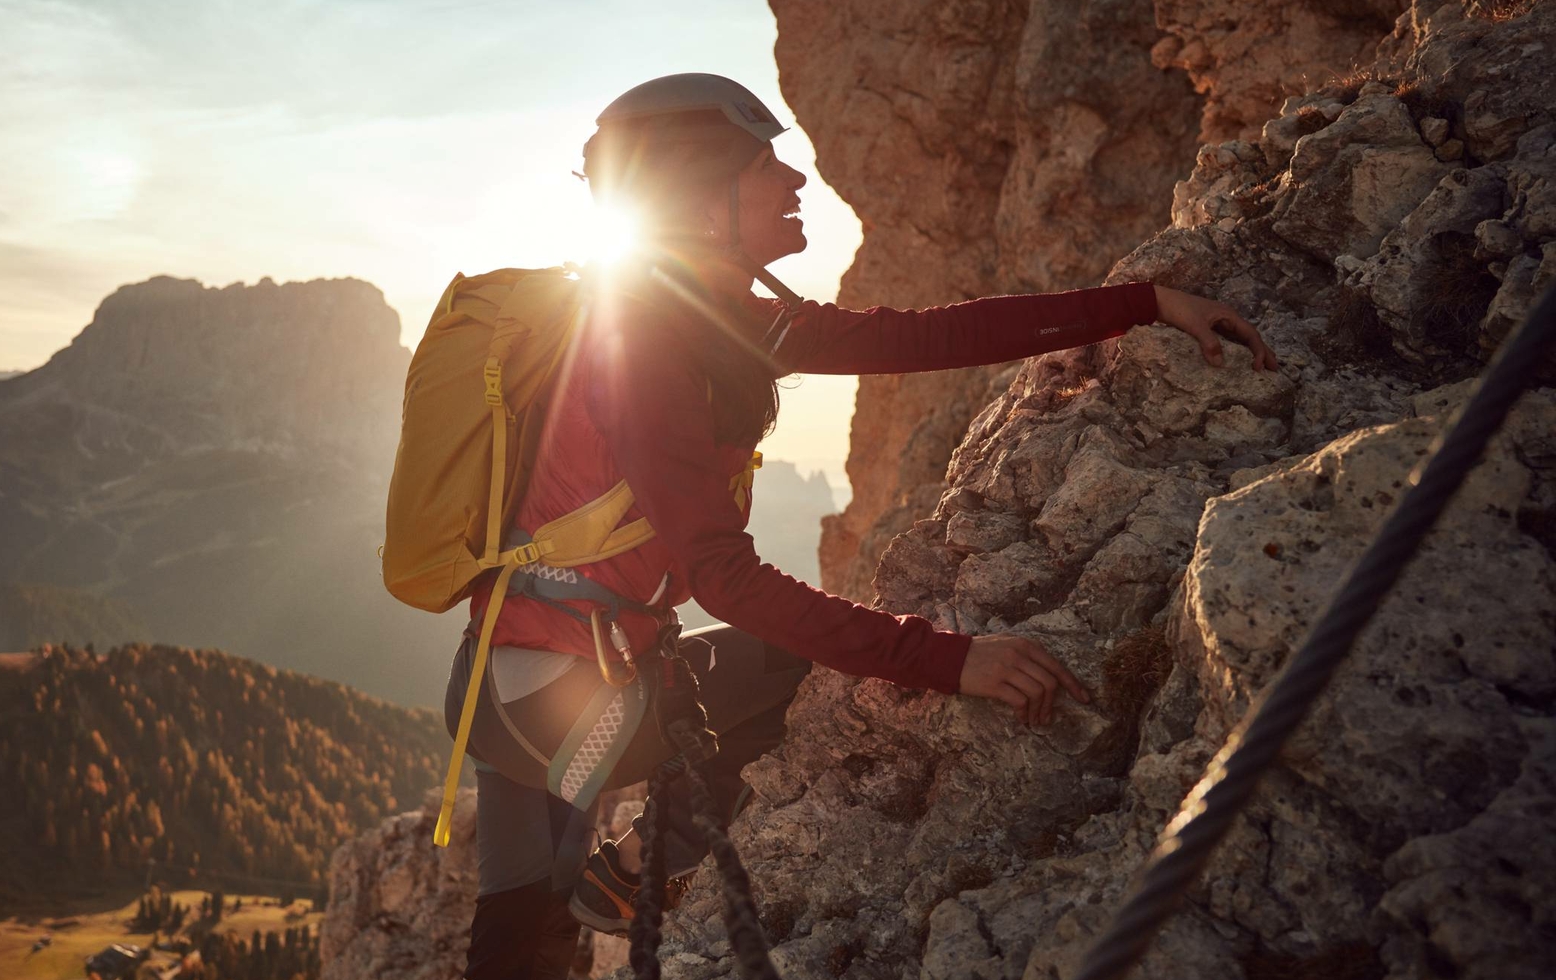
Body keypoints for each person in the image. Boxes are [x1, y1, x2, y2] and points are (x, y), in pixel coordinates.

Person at [444, 73, 1277, 980]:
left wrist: (1141, 304)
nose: (795, 183)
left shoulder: (713, 323)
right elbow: (728, 581)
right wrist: (950, 658)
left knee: (518, 930)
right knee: (797, 680)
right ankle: (639, 867)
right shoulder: (645, 346)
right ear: (698, 202)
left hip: (524, 676)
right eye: (767, 165)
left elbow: (921, 339)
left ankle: (617, 880)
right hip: (559, 701)